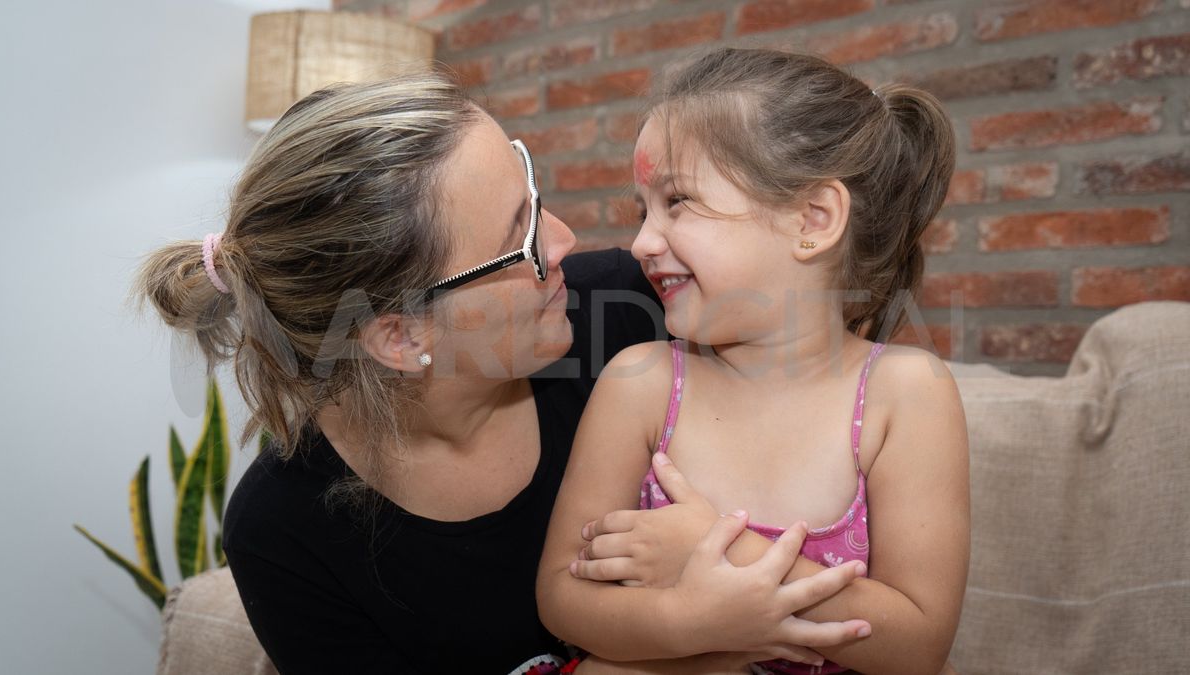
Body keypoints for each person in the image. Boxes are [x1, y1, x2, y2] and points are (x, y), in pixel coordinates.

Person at [135, 72, 870, 675]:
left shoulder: (630, 312)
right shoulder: (284, 533)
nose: (565, 239)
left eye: (534, 196)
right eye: (519, 240)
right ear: (401, 334)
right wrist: (700, 646)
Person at [537, 48, 971, 674]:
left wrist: (721, 554)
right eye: (643, 210)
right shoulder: (642, 382)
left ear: (813, 219)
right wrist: (688, 619)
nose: (641, 243)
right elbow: (561, 596)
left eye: (678, 201)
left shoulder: (903, 393)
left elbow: (918, 645)